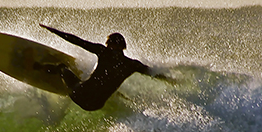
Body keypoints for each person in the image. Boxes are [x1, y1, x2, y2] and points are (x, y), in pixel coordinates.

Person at [37, 24, 166, 111]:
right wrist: (173, 81)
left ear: (110, 44)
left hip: (80, 95)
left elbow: (78, 41)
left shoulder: (104, 52)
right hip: (96, 105)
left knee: (62, 67)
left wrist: (54, 31)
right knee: (110, 84)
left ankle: (40, 68)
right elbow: (154, 74)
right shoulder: (132, 65)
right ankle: (118, 95)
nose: (107, 45)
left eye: (107, 43)